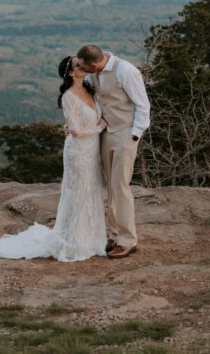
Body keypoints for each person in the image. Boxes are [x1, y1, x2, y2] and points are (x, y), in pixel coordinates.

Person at [0, 56, 108, 262]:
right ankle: (76, 241)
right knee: (79, 193)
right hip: (79, 151)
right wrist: (101, 125)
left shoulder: (90, 88)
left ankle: (92, 238)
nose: (83, 66)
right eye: (78, 65)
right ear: (71, 73)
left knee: (91, 191)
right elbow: (75, 129)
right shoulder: (68, 96)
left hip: (93, 150)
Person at [76, 44, 150, 259]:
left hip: (126, 133)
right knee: (110, 184)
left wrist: (135, 134)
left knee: (121, 185)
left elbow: (143, 105)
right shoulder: (95, 73)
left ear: (94, 63)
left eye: (83, 66)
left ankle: (128, 240)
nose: (81, 69)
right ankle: (115, 234)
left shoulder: (126, 71)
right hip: (105, 132)